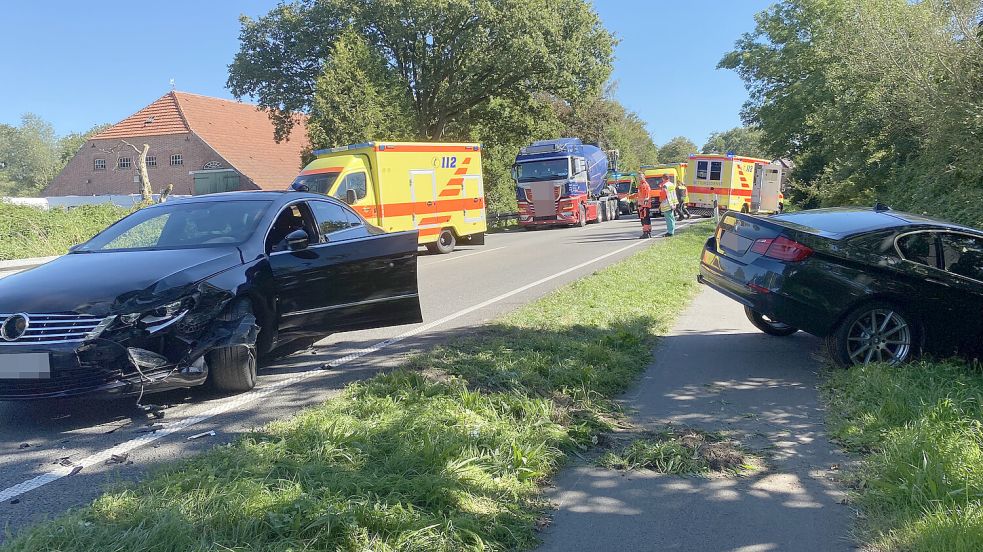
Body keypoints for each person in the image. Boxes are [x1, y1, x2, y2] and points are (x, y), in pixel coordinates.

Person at [636, 173, 652, 238]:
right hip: (643, 205)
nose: (639, 178)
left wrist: (644, 203)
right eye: (639, 177)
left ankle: (646, 232)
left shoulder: (644, 185)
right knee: (646, 218)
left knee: (644, 219)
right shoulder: (642, 185)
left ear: (644, 177)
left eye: (640, 177)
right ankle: (647, 231)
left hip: (644, 205)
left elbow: (647, 195)